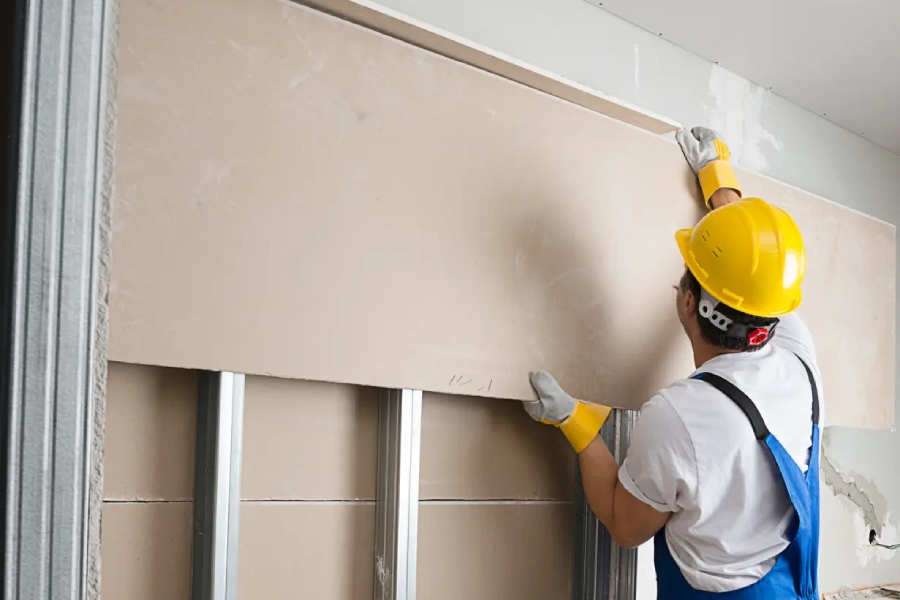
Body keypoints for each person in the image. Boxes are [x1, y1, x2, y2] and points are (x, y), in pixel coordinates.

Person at [524, 127, 822, 599]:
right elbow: (756, 275)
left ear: (686, 301)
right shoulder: (798, 357)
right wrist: (718, 181)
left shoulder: (679, 417)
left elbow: (625, 525)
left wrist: (575, 424)